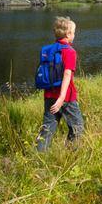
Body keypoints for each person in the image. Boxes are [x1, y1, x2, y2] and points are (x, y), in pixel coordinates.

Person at [35, 16, 84, 151]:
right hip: (66, 97)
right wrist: (62, 98)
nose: (74, 35)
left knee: (48, 127)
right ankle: (70, 154)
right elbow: (67, 74)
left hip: (49, 95)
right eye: (73, 32)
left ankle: (38, 156)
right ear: (68, 34)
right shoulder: (69, 51)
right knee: (77, 126)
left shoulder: (49, 50)